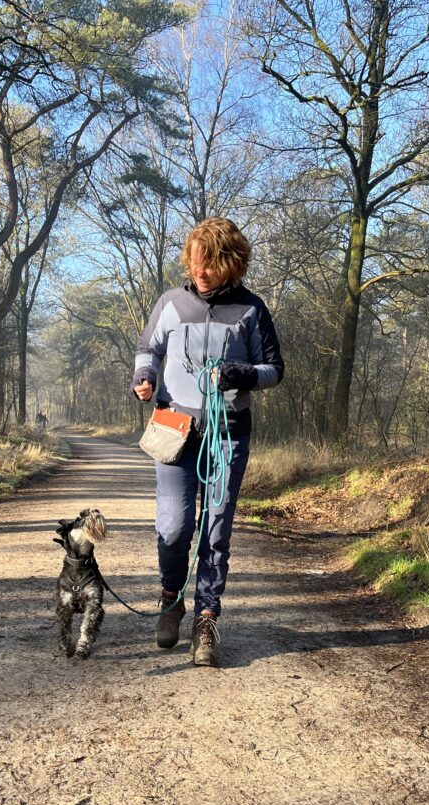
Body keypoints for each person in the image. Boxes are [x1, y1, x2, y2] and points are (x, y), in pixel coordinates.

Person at [132, 217, 284, 667]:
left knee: (216, 531)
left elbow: (275, 370)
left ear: (231, 264)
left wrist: (243, 375)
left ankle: (206, 619)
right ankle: (171, 597)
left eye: (210, 264)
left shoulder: (252, 309)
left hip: (228, 432)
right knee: (175, 526)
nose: (200, 272)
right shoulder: (171, 303)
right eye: (195, 263)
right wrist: (144, 377)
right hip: (173, 429)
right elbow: (148, 349)